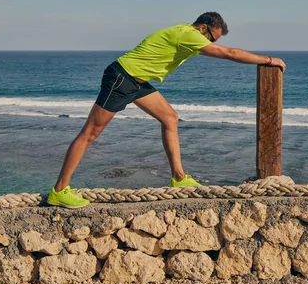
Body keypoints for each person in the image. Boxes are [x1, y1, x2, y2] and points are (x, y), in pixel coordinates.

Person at [47, 12, 286, 208]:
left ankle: (179, 178)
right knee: (90, 133)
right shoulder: (187, 34)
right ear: (203, 28)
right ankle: (59, 190)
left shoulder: (186, 33)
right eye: (212, 38)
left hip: (137, 81)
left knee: (170, 118)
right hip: (123, 77)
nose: (211, 44)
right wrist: (268, 60)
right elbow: (230, 54)